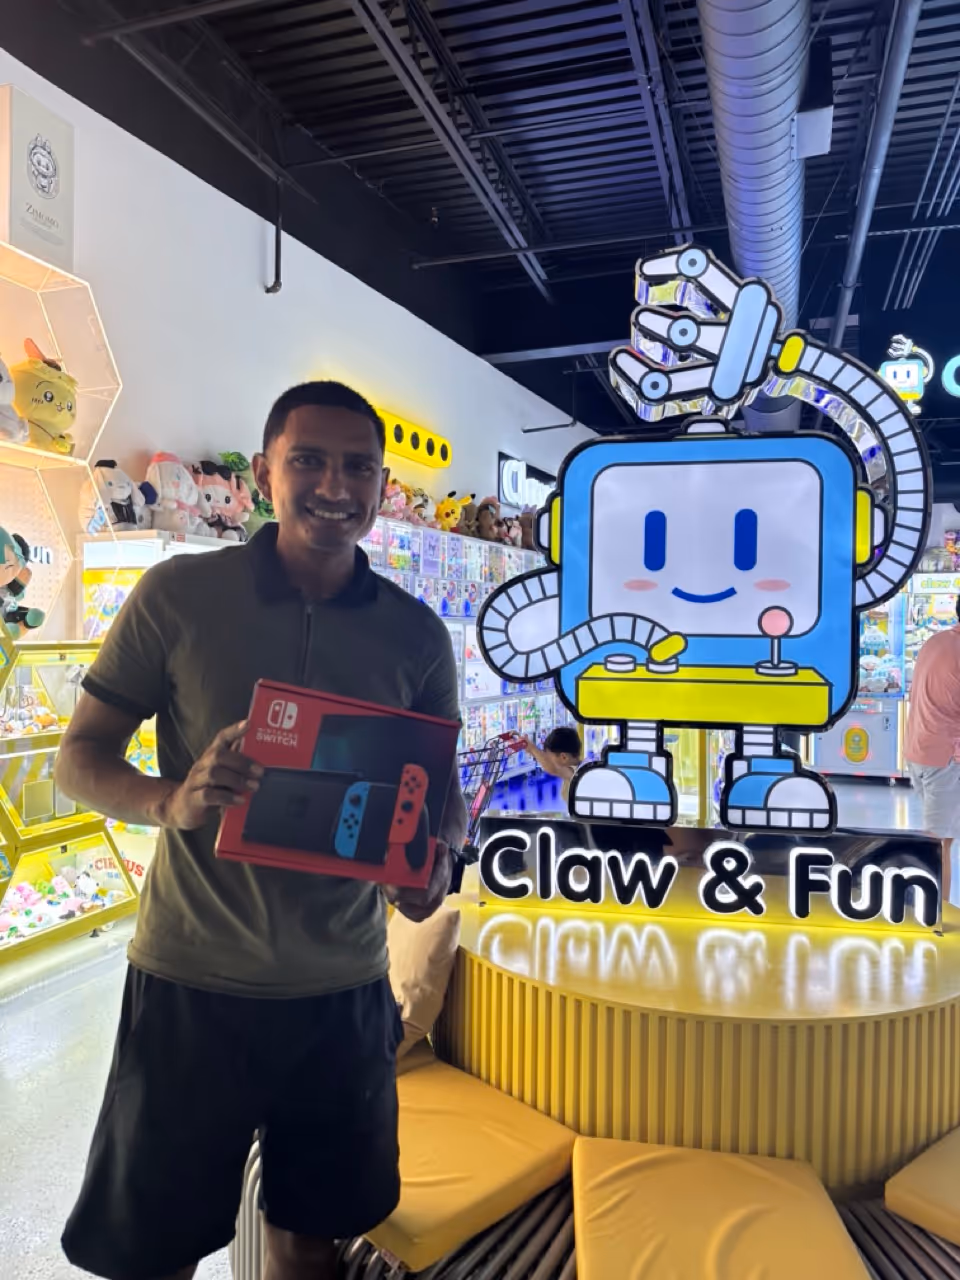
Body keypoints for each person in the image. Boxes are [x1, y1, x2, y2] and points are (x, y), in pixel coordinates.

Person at [56, 382, 467, 1280]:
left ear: (381, 482)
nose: (334, 484)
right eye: (309, 460)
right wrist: (173, 801)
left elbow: (442, 797)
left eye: (357, 466)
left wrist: (434, 864)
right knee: (151, 1247)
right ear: (266, 472)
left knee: (312, 1238)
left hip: (342, 991)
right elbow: (77, 758)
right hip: (192, 980)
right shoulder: (179, 596)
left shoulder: (417, 635)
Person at [903, 599, 960, 902]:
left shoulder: (935, 642)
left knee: (939, 835)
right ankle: (937, 915)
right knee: (940, 843)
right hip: (946, 757)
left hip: (920, 750)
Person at [521, 725, 582, 805]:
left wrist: (532, 748)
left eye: (550, 758)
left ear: (563, 757)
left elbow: (552, 768)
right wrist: (530, 749)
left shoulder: (576, 773)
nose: (547, 760)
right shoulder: (581, 767)